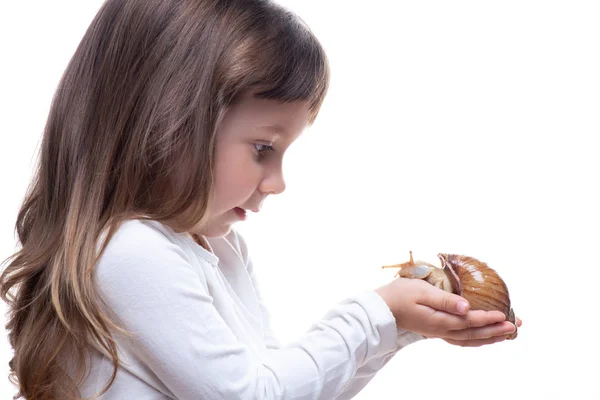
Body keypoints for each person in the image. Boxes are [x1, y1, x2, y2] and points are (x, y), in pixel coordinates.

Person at [0, 0, 521, 399]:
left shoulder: (219, 251)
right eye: (263, 149)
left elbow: (284, 385)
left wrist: (400, 326)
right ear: (166, 124)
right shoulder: (128, 250)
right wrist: (375, 313)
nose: (276, 182)